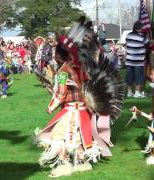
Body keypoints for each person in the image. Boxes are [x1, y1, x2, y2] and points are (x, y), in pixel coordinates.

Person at [34, 17, 124, 177]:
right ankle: (82, 163)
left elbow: (61, 94)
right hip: (84, 111)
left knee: (57, 136)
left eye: (56, 53)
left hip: (70, 111)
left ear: (60, 55)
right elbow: (85, 86)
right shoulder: (81, 68)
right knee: (79, 137)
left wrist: (51, 106)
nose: (54, 56)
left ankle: (64, 165)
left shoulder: (63, 71)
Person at [125, 21, 149, 98]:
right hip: (138, 61)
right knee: (139, 76)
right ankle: (137, 92)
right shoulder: (142, 37)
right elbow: (149, 44)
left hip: (129, 60)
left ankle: (129, 92)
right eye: (142, 27)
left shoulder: (128, 35)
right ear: (139, 28)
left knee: (130, 76)